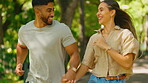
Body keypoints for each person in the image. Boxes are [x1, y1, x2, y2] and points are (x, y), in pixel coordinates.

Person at [73, 0, 139, 83]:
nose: (97, 13)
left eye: (101, 10)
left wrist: (106, 47)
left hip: (117, 80)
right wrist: (72, 80)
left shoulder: (125, 35)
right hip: (95, 80)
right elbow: (86, 64)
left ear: (112, 12)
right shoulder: (94, 38)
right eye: (98, 10)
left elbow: (127, 63)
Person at [15, 0, 80, 83]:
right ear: (37, 12)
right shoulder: (25, 30)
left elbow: (74, 53)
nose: (52, 14)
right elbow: (22, 46)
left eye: (53, 10)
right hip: (32, 80)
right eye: (49, 10)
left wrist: (72, 70)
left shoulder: (61, 29)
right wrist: (19, 63)